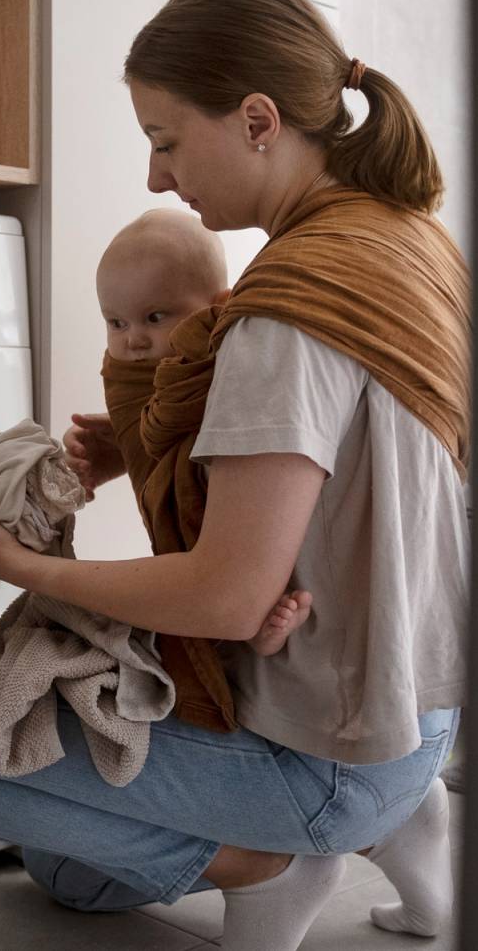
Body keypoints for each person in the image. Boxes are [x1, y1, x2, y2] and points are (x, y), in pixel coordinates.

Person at [0, 0, 470, 951]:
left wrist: (14, 564)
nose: (156, 178)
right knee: (66, 872)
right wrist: (140, 448)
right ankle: (408, 824)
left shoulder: (282, 314)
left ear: (255, 120)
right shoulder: (406, 239)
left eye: (163, 140)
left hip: (326, 754)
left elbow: (230, 599)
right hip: (421, 715)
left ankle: (274, 861)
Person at [93, 209, 311, 658]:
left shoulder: (229, 359)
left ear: (217, 306)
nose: (133, 340)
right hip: (185, 533)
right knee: (178, 545)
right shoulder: (131, 375)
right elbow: (151, 441)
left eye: (154, 317)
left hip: (240, 510)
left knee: (240, 535)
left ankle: (260, 622)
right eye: (116, 323)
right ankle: (227, 625)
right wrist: (120, 442)